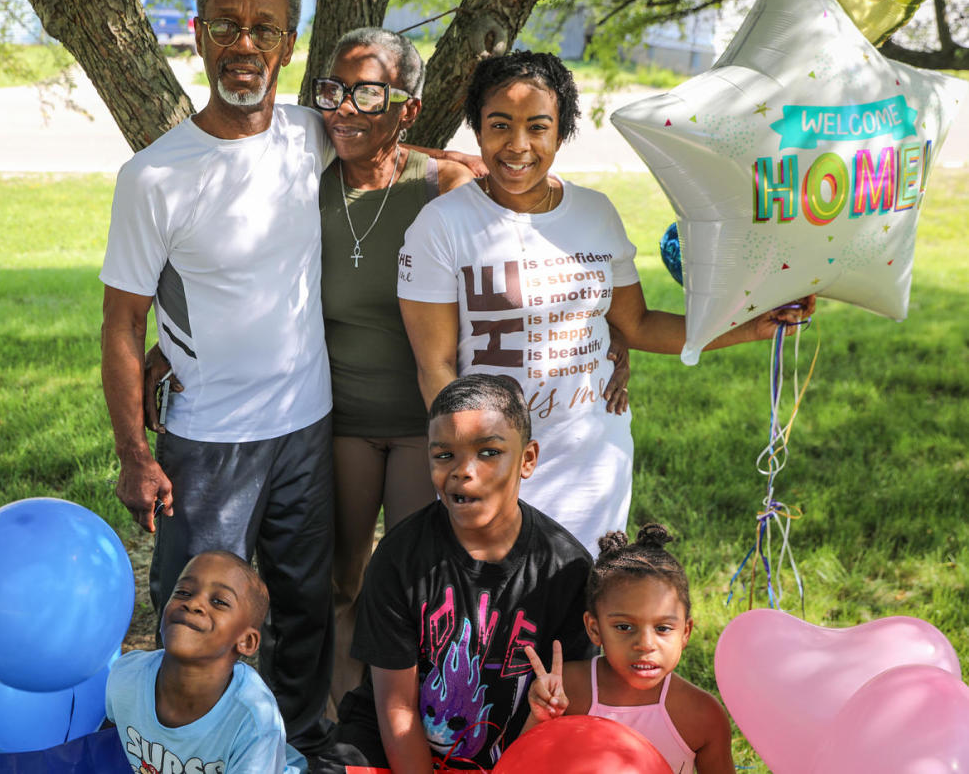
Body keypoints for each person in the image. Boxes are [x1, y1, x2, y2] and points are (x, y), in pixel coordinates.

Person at [397, 50, 814, 554]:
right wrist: (476, 463)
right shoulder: (441, 226)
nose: (518, 145)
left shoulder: (595, 213)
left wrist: (750, 325)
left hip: (592, 461)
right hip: (493, 467)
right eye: (500, 125)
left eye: (538, 127)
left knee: (584, 611)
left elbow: (636, 325)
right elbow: (435, 367)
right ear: (478, 128)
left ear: (561, 131)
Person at [99, 0, 337, 752]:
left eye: (264, 28)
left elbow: (388, 154)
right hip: (207, 438)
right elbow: (121, 325)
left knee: (302, 601)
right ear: (198, 37)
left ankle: (292, 747)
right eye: (228, 25)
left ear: (289, 44)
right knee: (193, 613)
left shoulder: (309, 136)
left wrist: (460, 168)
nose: (245, 44)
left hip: (308, 424)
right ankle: (185, 751)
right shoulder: (154, 177)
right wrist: (135, 451)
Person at [313, 374, 595, 772]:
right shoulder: (399, 559)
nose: (464, 471)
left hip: (516, 753)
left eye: (489, 452)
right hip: (398, 747)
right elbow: (397, 708)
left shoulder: (566, 571)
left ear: (528, 459)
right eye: (444, 455)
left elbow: (570, 713)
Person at [312, 27, 476, 711]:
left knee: (418, 582)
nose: (345, 109)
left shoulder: (445, 184)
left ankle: (418, 720)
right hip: (339, 420)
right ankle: (338, 722)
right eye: (334, 91)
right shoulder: (303, 177)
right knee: (338, 581)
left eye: (369, 93)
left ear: (407, 108)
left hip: (422, 421)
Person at [522, 524, 734, 774]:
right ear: (595, 629)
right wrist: (540, 718)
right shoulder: (568, 690)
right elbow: (522, 763)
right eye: (624, 627)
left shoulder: (701, 715)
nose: (645, 645)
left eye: (663, 628)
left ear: (685, 632)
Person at [105, 551, 305, 774]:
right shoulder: (126, 677)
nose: (193, 603)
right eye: (183, 592)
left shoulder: (253, 718)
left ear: (246, 642)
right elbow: (102, 749)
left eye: (219, 601)